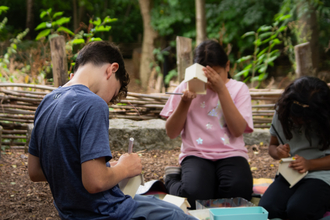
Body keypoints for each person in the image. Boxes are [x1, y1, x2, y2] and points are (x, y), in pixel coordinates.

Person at [28, 41, 195, 220]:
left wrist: (107, 168)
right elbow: (95, 182)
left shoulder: (47, 102)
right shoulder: (93, 104)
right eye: (114, 94)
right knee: (179, 214)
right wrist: (124, 168)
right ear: (111, 69)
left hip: (71, 213)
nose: (108, 101)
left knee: (161, 205)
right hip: (105, 212)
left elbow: (36, 171)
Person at [160, 40, 254, 209]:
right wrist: (184, 102)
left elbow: (238, 130)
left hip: (231, 153)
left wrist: (221, 90)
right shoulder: (186, 86)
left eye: (216, 74)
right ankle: (172, 180)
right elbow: (171, 132)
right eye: (206, 76)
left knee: (239, 193)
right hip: (196, 153)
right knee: (194, 196)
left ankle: (213, 188)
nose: (211, 81)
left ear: (227, 66)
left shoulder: (239, 89)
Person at [258, 76, 330, 220]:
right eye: (295, 117)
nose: (299, 121)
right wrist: (278, 153)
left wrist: (310, 164)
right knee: (267, 210)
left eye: (305, 118)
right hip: (290, 174)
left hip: (323, 175)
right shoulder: (282, 112)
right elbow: (272, 146)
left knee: (298, 210)